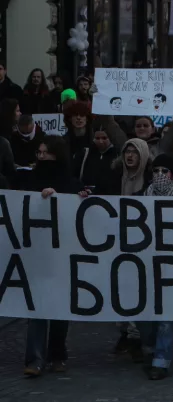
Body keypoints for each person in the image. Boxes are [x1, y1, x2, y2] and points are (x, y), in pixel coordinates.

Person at [20, 136, 82, 377]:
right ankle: (35, 359)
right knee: (36, 308)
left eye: (46, 152)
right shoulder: (28, 181)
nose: (41, 156)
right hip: (35, 253)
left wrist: (65, 198)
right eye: (39, 152)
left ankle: (57, 354)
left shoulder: (71, 183)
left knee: (58, 308)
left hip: (62, 254)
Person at [138, 155, 173, 380]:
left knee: (166, 318)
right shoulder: (137, 198)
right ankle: (149, 350)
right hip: (144, 266)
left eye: (165, 170)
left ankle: (161, 361)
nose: (160, 175)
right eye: (156, 170)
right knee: (144, 317)